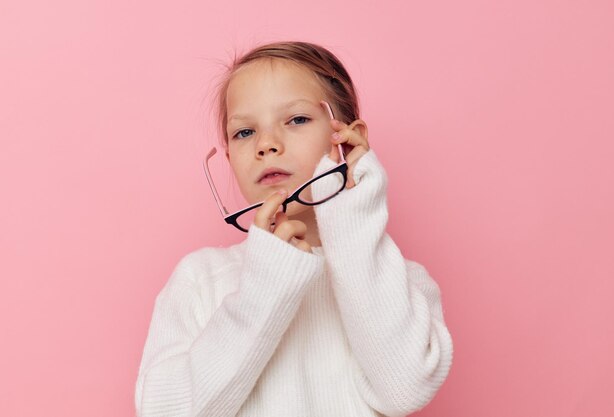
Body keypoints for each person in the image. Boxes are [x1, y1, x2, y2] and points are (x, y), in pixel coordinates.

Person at [134, 41, 453, 417]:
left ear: (348, 140)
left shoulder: (400, 281)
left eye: (297, 120)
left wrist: (354, 225)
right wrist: (265, 286)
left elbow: (405, 389)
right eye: (244, 132)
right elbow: (164, 411)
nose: (267, 145)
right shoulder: (201, 279)